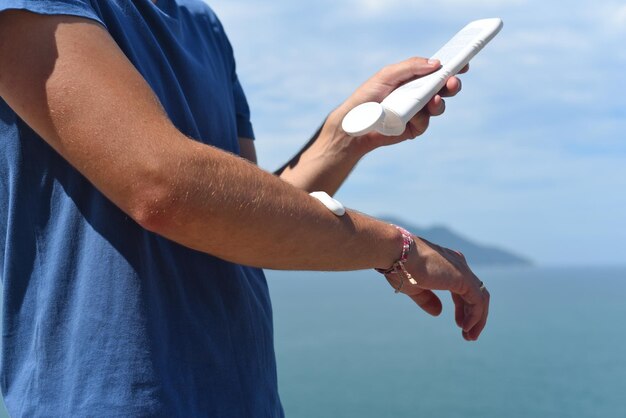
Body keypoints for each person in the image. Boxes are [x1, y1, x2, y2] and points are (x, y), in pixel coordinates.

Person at [0, 0, 489, 416]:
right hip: (102, 395)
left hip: (242, 393)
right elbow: (163, 186)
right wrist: (395, 247)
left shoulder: (201, 21)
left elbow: (240, 213)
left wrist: (345, 139)